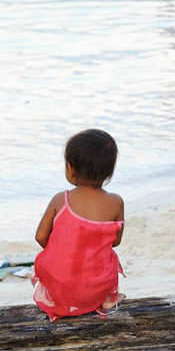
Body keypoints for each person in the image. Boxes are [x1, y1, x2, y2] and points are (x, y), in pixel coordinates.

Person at [31, 129, 125, 321]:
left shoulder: (61, 200)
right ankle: (107, 298)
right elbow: (115, 241)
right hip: (96, 288)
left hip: (61, 287)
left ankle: (59, 297)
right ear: (109, 171)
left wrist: (61, 253)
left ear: (71, 169)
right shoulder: (116, 203)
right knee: (109, 256)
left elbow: (40, 236)